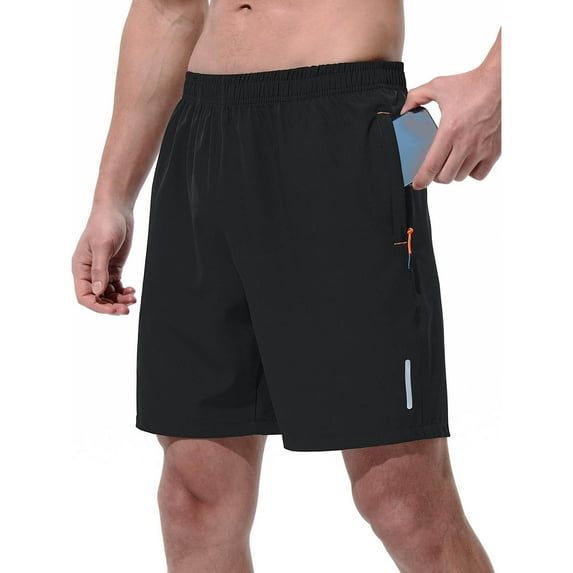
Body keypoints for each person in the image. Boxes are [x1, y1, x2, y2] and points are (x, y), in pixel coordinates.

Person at [71, 1, 501, 571]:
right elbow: (165, 11)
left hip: (343, 124)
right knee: (195, 497)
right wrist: (113, 198)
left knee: (401, 496)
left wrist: (497, 80)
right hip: (201, 133)